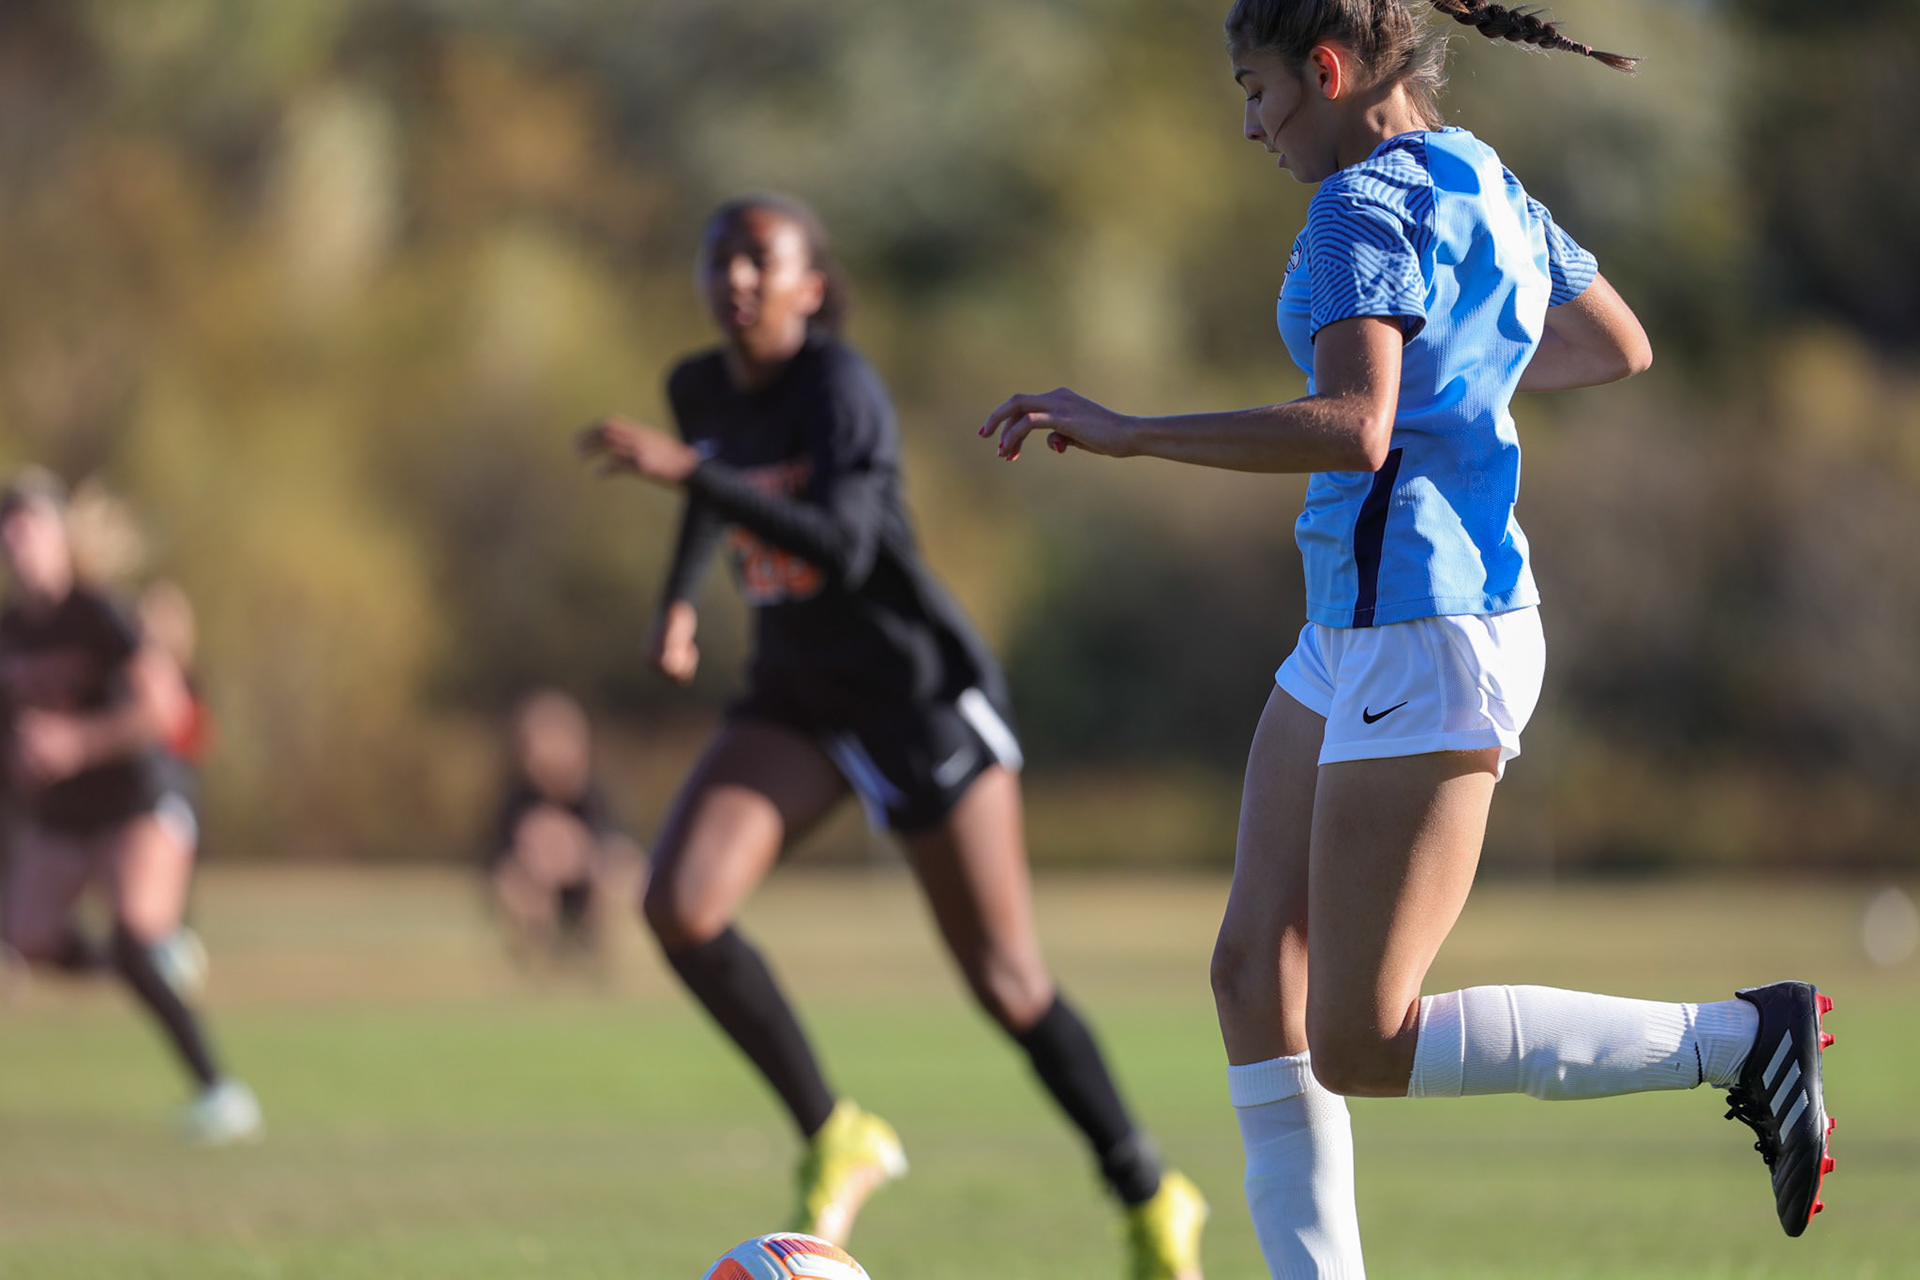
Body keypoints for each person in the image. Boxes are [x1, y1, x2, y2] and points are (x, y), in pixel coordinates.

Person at [980, 2, 1832, 1273]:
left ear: (1326, 70)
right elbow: (1617, 344)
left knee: (1360, 1040)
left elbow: (1355, 428)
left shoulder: (1354, 206)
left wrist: (1134, 428)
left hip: (1422, 623)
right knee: (1249, 966)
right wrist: (1464, 378)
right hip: (1365, 622)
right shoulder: (1481, 170)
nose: (1252, 124)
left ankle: (1738, 1039)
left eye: (1258, 89)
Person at [578, 194, 1208, 1278]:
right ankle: (836, 1129)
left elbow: (845, 545)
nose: (733, 276)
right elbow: (712, 497)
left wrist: (694, 475)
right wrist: (680, 599)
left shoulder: (841, 388)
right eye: (719, 256)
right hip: (798, 698)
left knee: (1008, 982)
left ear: (810, 286)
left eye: (758, 259)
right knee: (678, 904)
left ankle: (1151, 1193)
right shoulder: (698, 388)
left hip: (915, 695)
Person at [0, 470, 261, 1145]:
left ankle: (223, 1096)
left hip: (136, 797)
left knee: (132, 932)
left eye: (30, 523)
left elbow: (165, 708)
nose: (17, 538)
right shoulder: (13, 632)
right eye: (9, 526)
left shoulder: (102, 613)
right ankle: (149, 962)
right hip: (64, 812)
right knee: (24, 936)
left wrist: (76, 744)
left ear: (61, 535)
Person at [483, 688, 640, 965]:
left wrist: (573, 852)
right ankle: (536, 959)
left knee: (622, 872)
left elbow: (618, 845)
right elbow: (496, 854)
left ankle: (596, 953)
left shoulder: (595, 793)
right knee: (513, 886)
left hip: (587, 879)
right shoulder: (517, 798)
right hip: (537, 885)